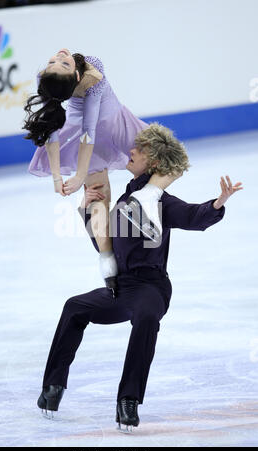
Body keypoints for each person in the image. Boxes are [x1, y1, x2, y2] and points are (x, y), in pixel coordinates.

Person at [36, 123, 243, 431]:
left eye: (141, 150)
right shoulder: (123, 201)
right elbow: (103, 244)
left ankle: (128, 400)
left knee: (146, 317)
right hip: (120, 288)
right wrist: (86, 209)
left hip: (152, 289)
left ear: (155, 161)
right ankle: (53, 388)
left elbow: (193, 217)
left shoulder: (161, 201)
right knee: (74, 307)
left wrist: (217, 203)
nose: (131, 151)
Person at [23, 51, 184, 296]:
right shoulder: (92, 68)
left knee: (96, 194)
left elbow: (56, 130)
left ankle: (107, 260)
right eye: (61, 63)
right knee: (174, 159)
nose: (58, 56)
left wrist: (69, 175)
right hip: (116, 127)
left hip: (86, 137)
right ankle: (149, 195)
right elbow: (86, 131)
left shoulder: (45, 78)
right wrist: (68, 176)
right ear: (77, 75)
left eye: (55, 62)